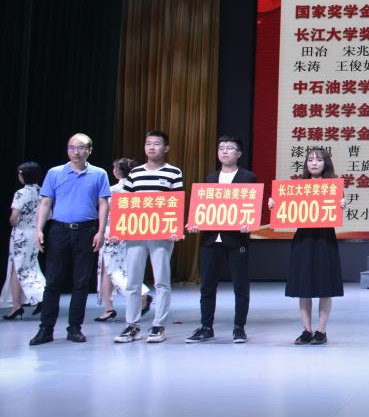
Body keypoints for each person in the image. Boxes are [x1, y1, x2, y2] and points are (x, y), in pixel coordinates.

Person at [30, 134, 111, 345]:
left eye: (81, 147)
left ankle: (75, 328)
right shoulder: (55, 173)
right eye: (72, 147)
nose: (76, 152)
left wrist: (101, 231)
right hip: (59, 230)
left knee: (81, 283)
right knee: (53, 282)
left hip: (86, 231)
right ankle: (45, 329)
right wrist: (39, 230)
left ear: (89, 150)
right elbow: (45, 202)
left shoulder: (99, 174)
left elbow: (103, 203)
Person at [185, 135, 258, 344]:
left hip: (236, 240)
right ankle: (206, 327)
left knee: (240, 286)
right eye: (221, 148)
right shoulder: (210, 178)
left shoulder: (248, 177)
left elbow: (253, 207)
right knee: (207, 286)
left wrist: (249, 223)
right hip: (210, 239)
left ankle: (239, 327)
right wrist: (195, 222)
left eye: (229, 148)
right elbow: (203, 208)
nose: (224, 151)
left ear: (239, 153)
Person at [112, 131, 183, 344]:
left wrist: (175, 228)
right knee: (133, 281)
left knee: (162, 281)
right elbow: (126, 203)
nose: (152, 147)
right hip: (136, 233)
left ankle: (158, 325)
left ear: (166, 148)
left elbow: (177, 201)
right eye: (148, 143)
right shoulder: (135, 173)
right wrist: (118, 230)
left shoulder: (173, 172)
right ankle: (132, 325)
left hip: (162, 233)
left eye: (157, 144)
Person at [268, 147, 344, 345]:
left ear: (326, 163)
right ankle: (307, 330)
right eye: (310, 160)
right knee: (304, 286)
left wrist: (342, 204)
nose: (314, 163)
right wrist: (274, 205)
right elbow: (286, 210)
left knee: (325, 286)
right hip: (303, 239)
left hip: (324, 239)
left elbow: (336, 211)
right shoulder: (298, 186)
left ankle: (321, 331)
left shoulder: (333, 186)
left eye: (318, 159)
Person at [94, 158, 151, 322]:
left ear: (117, 172)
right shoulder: (137, 190)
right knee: (111, 269)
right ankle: (108, 308)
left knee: (113, 270)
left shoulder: (114, 190)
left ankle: (141, 294)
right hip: (130, 232)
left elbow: (108, 213)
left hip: (112, 232)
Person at [2, 162, 46, 319]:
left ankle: (32, 299)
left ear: (22, 175)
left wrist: (14, 221)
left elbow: (14, 217)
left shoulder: (21, 193)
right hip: (36, 232)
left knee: (19, 267)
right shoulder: (42, 192)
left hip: (21, 233)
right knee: (27, 266)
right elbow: (48, 215)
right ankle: (20, 304)